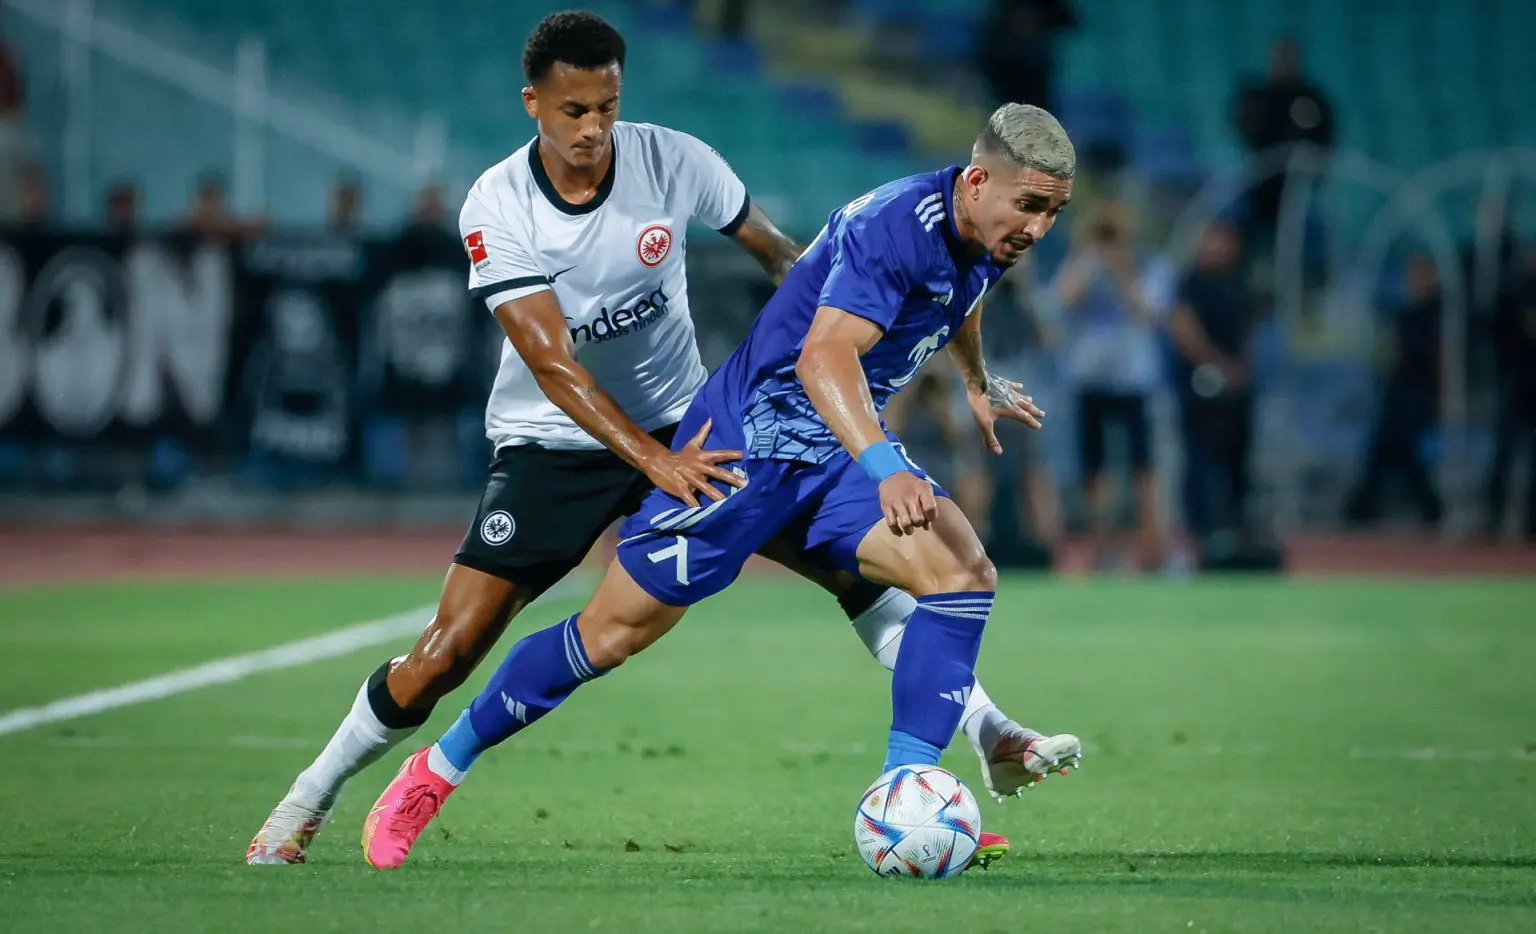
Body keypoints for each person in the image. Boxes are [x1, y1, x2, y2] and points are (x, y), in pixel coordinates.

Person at [248, 12, 1041, 867]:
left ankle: (929, 787)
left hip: (697, 429)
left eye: (607, 107)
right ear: (533, 104)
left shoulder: (673, 159)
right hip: (554, 441)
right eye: (574, 111)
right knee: (454, 652)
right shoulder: (498, 203)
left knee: (874, 579)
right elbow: (553, 365)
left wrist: (837, 338)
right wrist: (655, 459)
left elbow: (786, 255)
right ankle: (317, 795)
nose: (594, 128)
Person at [1053, 199, 1171, 570]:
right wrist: (1090, 257)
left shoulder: (1150, 264)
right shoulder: (1083, 262)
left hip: (1134, 378)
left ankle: (1152, 548)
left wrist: (1122, 268)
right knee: (1095, 468)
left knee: (1143, 466)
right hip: (1090, 377)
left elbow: (1149, 311)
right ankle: (1102, 545)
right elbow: (1062, 300)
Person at [1166, 220, 1259, 545]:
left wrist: (1241, 370)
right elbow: (1184, 331)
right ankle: (1198, 536)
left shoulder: (1238, 283)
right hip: (1199, 386)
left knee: (1236, 462)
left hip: (1237, 389)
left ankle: (1236, 529)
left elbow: (1248, 331)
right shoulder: (1191, 283)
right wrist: (1221, 365)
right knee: (1199, 459)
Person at [1343, 252, 1445, 527]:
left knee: (1399, 449)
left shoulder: (1438, 314)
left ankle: (1426, 507)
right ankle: (1364, 509)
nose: (1413, 280)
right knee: (1384, 449)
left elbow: (1440, 357)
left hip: (1419, 391)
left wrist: (1441, 396)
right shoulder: (1406, 313)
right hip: (1399, 390)